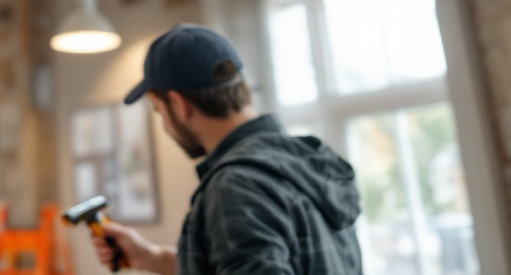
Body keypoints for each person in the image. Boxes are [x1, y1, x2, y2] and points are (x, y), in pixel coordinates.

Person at [91, 24, 362, 275]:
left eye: (158, 111)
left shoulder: (236, 186)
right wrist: (149, 256)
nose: (163, 124)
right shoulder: (306, 162)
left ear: (179, 104)